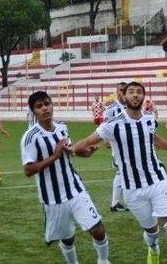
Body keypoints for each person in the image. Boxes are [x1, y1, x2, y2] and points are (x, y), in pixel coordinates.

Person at [74, 82, 167, 264]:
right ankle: (153, 249)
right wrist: (82, 152)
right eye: (131, 92)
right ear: (124, 97)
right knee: (152, 232)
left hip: (157, 180)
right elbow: (82, 144)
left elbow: (153, 138)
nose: (135, 95)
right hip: (132, 189)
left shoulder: (149, 119)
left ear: (143, 97)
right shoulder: (111, 125)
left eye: (139, 92)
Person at [21, 91, 109, 264]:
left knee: (97, 229)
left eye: (47, 104)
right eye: (39, 106)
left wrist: (84, 153)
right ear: (34, 112)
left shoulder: (62, 127)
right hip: (53, 198)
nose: (45, 108)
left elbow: (69, 152)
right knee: (67, 238)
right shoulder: (30, 137)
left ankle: (103, 260)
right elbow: (28, 170)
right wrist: (54, 157)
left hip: (75, 188)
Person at [104, 82, 130, 212]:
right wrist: (107, 140)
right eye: (120, 90)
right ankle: (115, 203)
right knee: (121, 172)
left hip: (131, 147)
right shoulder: (111, 109)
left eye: (125, 90)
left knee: (128, 172)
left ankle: (128, 201)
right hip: (118, 147)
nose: (123, 92)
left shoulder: (133, 108)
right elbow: (104, 127)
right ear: (117, 91)